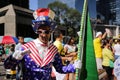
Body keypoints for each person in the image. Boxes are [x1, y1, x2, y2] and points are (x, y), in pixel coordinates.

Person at [4, 8, 81, 80]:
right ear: (37, 31)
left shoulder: (53, 49)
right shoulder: (26, 48)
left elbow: (60, 68)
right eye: (40, 32)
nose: (43, 35)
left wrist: (73, 67)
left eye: (46, 32)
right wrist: (13, 58)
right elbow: (7, 66)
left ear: (50, 31)